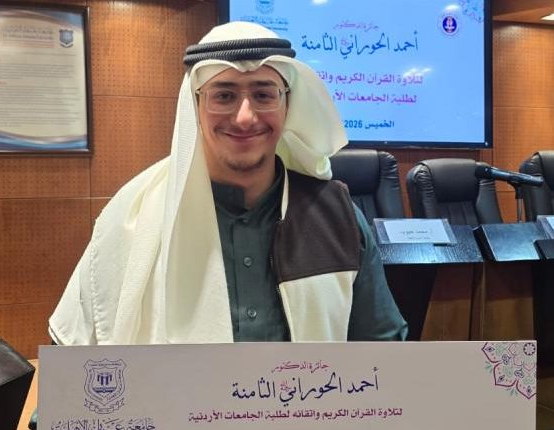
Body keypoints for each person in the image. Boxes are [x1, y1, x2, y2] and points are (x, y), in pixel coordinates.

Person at [48, 21, 407, 345]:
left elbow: (382, 352)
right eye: (224, 95)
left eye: (263, 94)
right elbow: (76, 363)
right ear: (195, 106)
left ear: (287, 105)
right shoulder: (132, 217)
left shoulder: (338, 217)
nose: (245, 117)